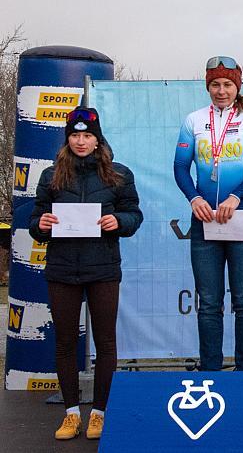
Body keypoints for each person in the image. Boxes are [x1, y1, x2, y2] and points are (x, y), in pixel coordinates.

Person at [29, 107, 143, 440]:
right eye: (75, 135)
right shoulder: (51, 176)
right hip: (62, 270)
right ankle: (70, 415)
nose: (81, 141)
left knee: (105, 343)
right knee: (65, 343)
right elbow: (36, 222)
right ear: (68, 139)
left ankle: (99, 414)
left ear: (98, 139)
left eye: (88, 135)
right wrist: (42, 225)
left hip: (103, 269)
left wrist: (118, 222)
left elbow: (133, 215)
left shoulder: (118, 175)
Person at [174, 56, 243, 371]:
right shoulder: (193, 120)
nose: (221, 91)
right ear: (207, 86)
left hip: (240, 214)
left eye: (227, 84)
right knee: (209, 303)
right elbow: (180, 167)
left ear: (237, 86)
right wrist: (192, 198)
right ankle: (211, 371)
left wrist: (235, 196)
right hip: (204, 219)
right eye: (215, 84)